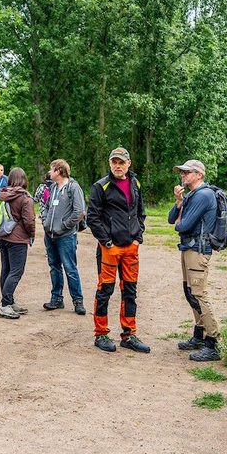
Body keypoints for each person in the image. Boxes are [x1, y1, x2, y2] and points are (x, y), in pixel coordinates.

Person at [87, 147, 150, 354]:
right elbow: (93, 218)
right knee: (105, 290)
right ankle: (101, 333)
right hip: (109, 248)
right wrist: (106, 242)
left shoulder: (135, 183)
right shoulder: (101, 186)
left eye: (121, 162)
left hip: (131, 247)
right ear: (110, 163)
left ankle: (129, 334)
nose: (117, 166)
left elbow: (140, 212)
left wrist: (138, 237)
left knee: (130, 291)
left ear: (128, 163)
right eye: (114, 162)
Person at [168, 159, 221, 361]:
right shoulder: (191, 195)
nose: (183, 175)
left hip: (198, 250)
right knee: (189, 292)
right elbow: (172, 219)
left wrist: (181, 221)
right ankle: (198, 336)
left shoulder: (204, 195)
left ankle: (213, 342)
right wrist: (178, 202)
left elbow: (182, 225)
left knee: (199, 293)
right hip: (188, 248)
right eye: (181, 172)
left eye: (187, 172)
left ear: (199, 174)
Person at [40, 159, 86, 315]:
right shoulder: (53, 187)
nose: (49, 172)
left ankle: (77, 301)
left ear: (59, 171)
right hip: (50, 235)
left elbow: (79, 212)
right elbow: (46, 207)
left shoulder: (73, 188)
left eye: (51, 169)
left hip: (66, 236)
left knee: (70, 268)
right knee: (54, 267)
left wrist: (64, 226)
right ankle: (56, 298)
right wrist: (46, 222)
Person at [0, 167, 35, 319]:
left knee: (6, 269)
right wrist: (31, 235)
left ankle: (9, 302)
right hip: (18, 239)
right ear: (24, 179)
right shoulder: (25, 198)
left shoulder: (3, 194)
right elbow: (29, 221)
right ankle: (5, 304)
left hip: (3, 235)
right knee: (16, 271)